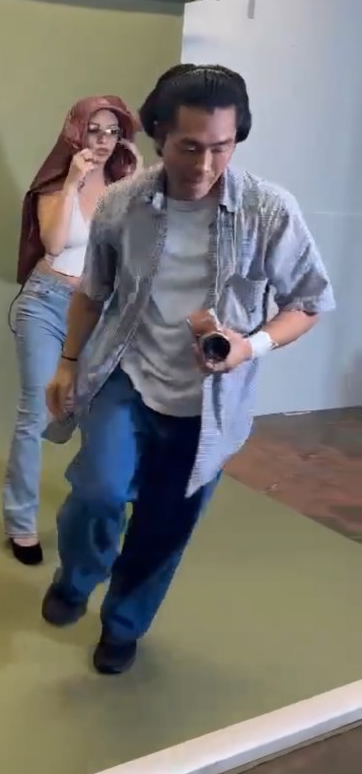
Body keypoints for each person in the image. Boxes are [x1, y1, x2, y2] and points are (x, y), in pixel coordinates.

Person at [42, 64, 335, 674]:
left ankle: (123, 625)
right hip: (126, 376)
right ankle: (79, 575)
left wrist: (250, 346)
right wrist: (67, 364)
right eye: (190, 147)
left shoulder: (268, 210)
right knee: (97, 493)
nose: (205, 164)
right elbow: (92, 293)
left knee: (165, 525)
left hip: (210, 403)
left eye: (221, 147)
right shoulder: (124, 202)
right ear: (158, 136)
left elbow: (308, 302)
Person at [2, 96, 141, 566]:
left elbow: (142, 245)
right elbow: (54, 243)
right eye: (94, 130)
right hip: (46, 302)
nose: (103, 141)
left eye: (113, 132)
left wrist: (140, 179)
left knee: (104, 414)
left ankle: (96, 516)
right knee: (36, 413)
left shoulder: (123, 187)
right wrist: (72, 183)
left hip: (98, 311)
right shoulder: (54, 184)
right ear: (76, 133)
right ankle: (21, 524)